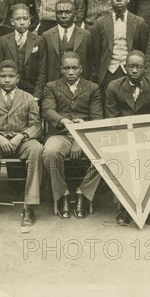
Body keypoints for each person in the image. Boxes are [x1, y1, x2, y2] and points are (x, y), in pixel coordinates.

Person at [0, 60, 44, 228]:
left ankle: (29, 206)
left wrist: (21, 136)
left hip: (22, 141)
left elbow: (36, 126)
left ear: (17, 78)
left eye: (11, 76)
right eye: (3, 76)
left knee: (37, 149)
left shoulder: (28, 98)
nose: (7, 80)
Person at [105, 50, 150, 226]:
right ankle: (124, 207)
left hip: (147, 136)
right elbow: (112, 118)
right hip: (121, 135)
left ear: (145, 68)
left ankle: (149, 205)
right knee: (122, 159)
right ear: (124, 67)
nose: (134, 70)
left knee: (149, 158)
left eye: (138, 67)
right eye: (130, 66)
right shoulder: (114, 87)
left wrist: (142, 138)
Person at [42, 52, 103, 220]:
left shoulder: (93, 88)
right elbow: (48, 110)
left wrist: (80, 139)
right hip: (61, 133)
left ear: (81, 69)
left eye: (74, 68)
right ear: (61, 69)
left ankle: (84, 192)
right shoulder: (51, 86)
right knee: (50, 152)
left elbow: (97, 118)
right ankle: (62, 194)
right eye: (66, 68)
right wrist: (63, 121)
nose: (70, 72)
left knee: (105, 153)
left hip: (86, 135)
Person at [90, 0, 149, 102]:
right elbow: (96, 53)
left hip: (132, 72)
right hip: (108, 72)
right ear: (109, 0)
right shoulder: (100, 23)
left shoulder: (139, 22)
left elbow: (144, 51)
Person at [0, 3, 46, 101]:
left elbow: (42, 71)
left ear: (30, 21)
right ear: (12, 22)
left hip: (32, 89)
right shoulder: (4, 40)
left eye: (25, 19)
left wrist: (37, 95)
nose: (22, 22)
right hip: (9, 89)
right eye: (18, 19)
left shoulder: (39, 40)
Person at [42, 1, 92, 83]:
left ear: (75, 14)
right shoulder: (47, 35)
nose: (63, 16)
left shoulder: (85, 35)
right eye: (59, 13)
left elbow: (91, 63)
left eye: (68, 12)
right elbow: (43, 67)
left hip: (80, 86)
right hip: (54, 85)